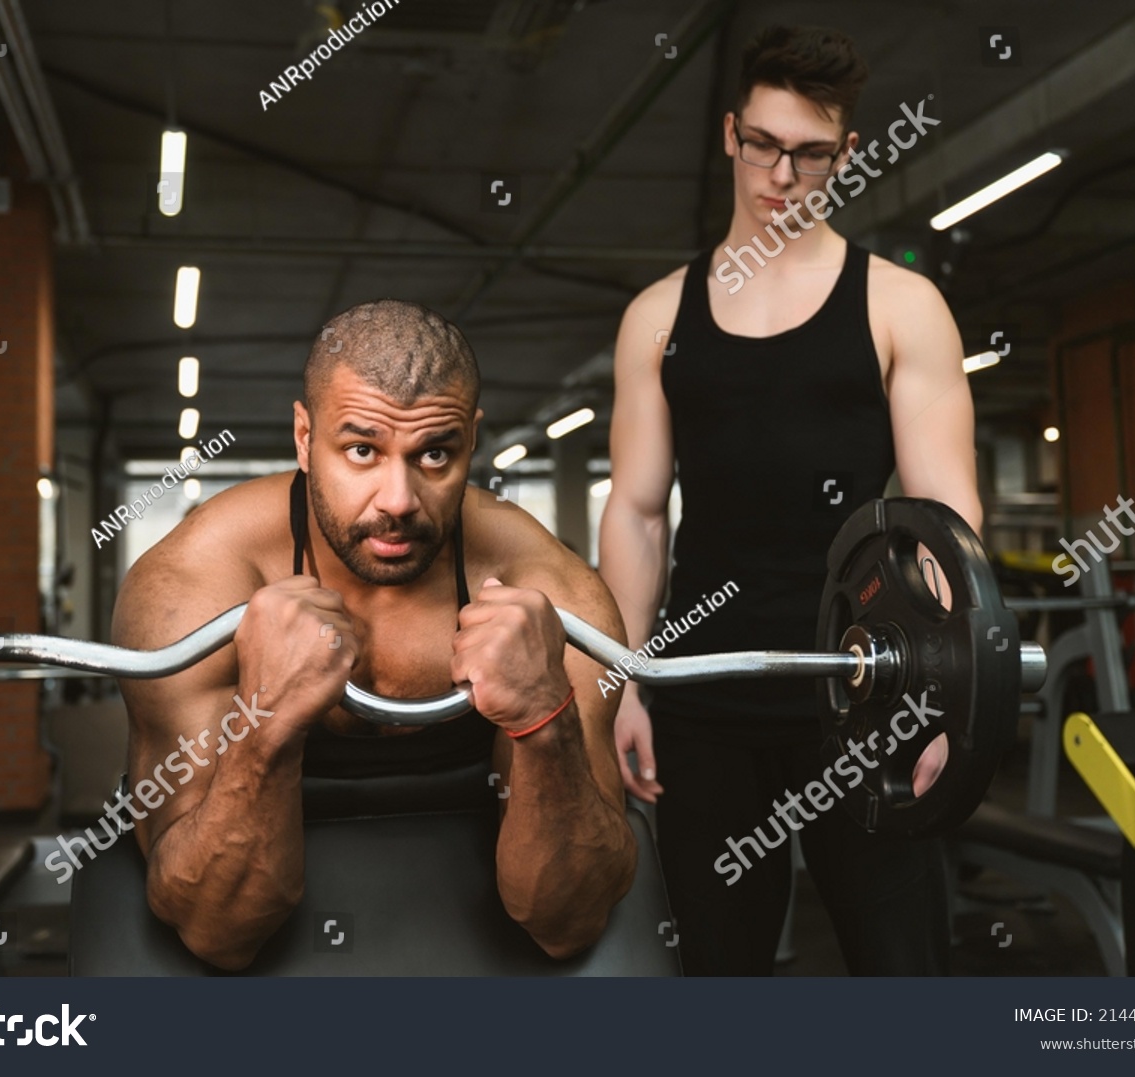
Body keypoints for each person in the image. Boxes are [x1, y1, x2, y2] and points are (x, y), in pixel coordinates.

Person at [597, 24, 981, 976]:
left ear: (846, 156)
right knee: (721, 971)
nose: (782, 173)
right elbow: (639, 513)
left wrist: (947, 700)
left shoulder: (900, 306)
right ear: (730, 135)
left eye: (811, 154)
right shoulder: (658, 317)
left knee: (904, 968)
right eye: (764, 144)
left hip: (867, 690)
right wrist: (625, 680)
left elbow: (946, 522)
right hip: (704, 693)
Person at [112, 299, 635, 971]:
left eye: (435, 454)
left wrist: (546, 719)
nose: (398, 498)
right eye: (362, 449)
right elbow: (216, 928)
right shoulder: (194, 585)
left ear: (472, 441)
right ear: (304, 437)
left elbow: (569, 919)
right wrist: (263, 722)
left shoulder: (552, 591)